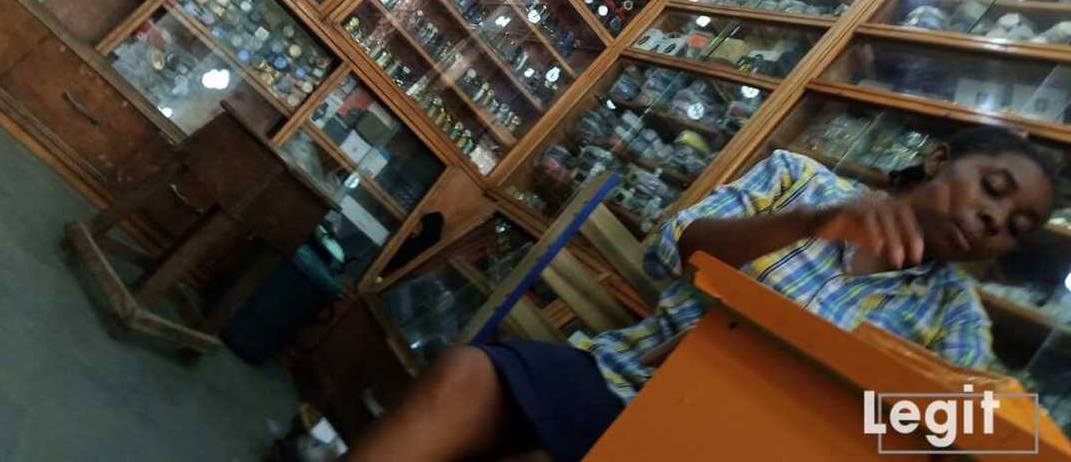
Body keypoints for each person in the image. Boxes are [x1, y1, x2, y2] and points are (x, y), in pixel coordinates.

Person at [346, 125, 1058, 462]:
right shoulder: (803, 182)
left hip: (733, 449)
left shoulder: (951, 314)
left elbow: (958, 432)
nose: (995, 220)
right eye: (992, 189)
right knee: (468, 375)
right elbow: (676, 247)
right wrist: (811, 223)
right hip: (623, 375)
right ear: (939, 158)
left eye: (1016, 226)